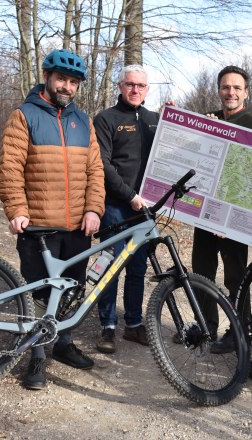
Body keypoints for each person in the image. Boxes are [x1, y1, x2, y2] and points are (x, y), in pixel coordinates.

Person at [0, 49, 105, 390]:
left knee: (71, 290)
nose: (67, 87)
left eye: (73, 82)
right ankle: (37, 355)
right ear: (47, 77)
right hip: (39, 226)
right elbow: (10, 168)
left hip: (77, 227)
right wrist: (17, 209)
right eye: (61, 79)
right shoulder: (24, 115)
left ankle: (64, 344)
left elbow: (95, 171)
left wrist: (94, 209)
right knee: (38, 294)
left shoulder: (83, 121)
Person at [192, 65, 252, 354]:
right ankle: (205, 325)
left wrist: (232, 219)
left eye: (237, 88)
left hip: (235, 218)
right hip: (205, 212)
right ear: (219, 90)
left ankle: (238, 331)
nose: (231, 92)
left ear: (246, 92)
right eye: (225, 87)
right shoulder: (208, 120)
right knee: (201, 271)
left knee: (236, 277)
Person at [92, 65, 159, 353]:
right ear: (120, 86)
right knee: (110, 267)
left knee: (137, 268)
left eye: (140, 85)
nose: (135, 89)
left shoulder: (155, 120)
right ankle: (107, 326)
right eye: (130, 84)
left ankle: (133, 323)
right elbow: (103, 164)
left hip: (145, 211)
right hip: (115, 206)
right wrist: (130, 195)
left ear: (147, 90)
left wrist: (174, 118)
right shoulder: (106, 119)